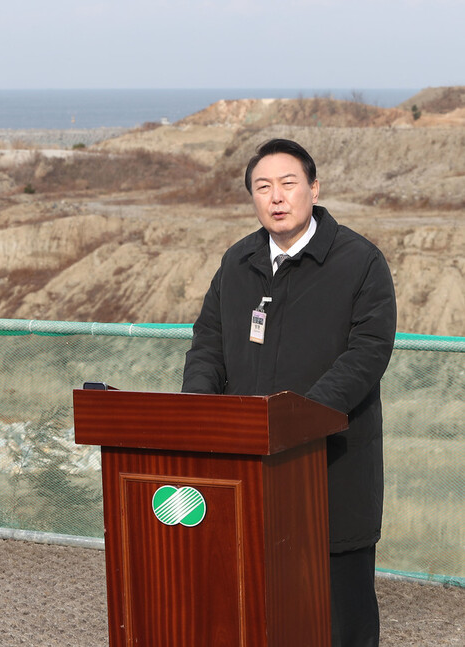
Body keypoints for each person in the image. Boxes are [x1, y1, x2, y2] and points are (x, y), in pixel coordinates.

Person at [182, 138, 396, 647]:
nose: (276, 197)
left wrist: (297, 419)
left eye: (288, 183)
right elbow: (208, 343)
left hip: (330, 466)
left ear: (313, 188)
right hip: (245, 468)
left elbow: (367, 353)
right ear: (252, 197)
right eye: (263, 187)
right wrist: (196, 415)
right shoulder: (238, 262)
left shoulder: (360, 262)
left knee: (340, 616)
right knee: (257, 605)